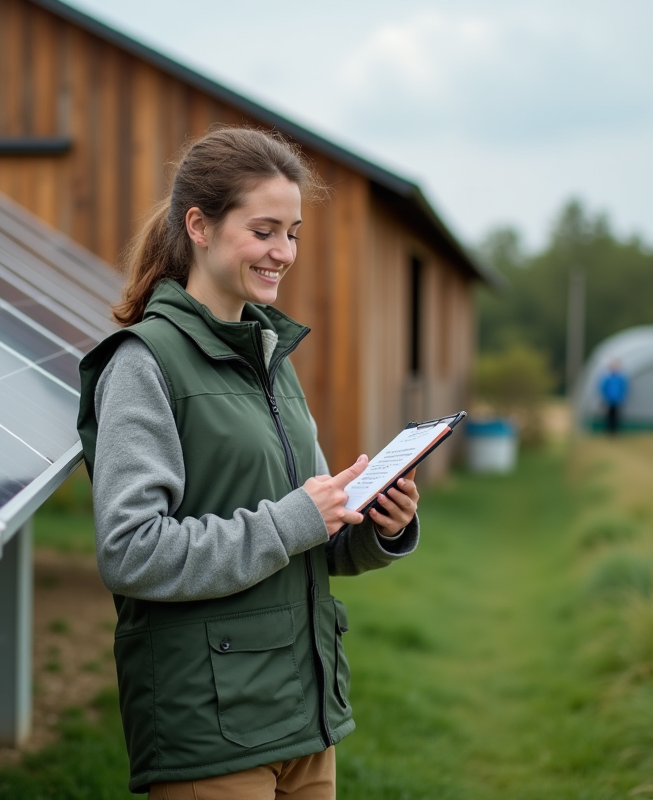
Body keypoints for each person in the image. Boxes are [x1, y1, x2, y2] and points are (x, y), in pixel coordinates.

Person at [76, 127, 421, 799]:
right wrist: (294, 520)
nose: (283, 253)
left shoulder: (270, 358)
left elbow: (313, 535)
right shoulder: (143, 364)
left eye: (293, 233)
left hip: (303, 715)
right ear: (199, 226)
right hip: (210, 730)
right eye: (264, 231)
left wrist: (379, 524)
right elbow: (130, 549)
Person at [599, 359, 629, 436]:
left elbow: (624, 389)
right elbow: (603, 388)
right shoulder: (607, 378)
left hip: (618, 400)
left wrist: (622, 398)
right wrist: (604, 398)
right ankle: (608, 432)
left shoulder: (621, 378)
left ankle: (615, 432)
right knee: (608, 417)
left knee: (616, 417)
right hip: (609, 400)